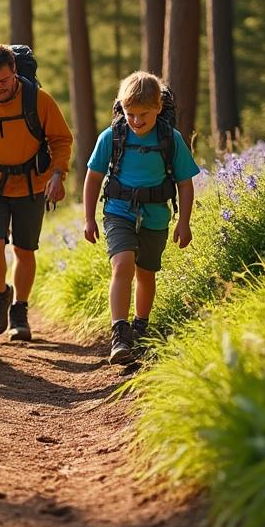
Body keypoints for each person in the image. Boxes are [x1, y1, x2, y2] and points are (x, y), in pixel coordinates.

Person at [0, 44, 73, 341]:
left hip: (33, 183)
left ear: (15, 72)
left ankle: (19, 310)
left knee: (24, 250)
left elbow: (60, 140)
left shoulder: (39, 100)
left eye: (3, 81)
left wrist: (57, 175)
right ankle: (1, 293)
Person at [81, 71, 199, 365]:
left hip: (156, 215)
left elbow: (185, 184)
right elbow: (93, 177)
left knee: (146, 274)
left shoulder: (171, 139)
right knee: (122, 265)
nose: (136, 120)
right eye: (130, 113)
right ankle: (119, 334)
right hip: (118, 211)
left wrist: (184, 222)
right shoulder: (111, 137)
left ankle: (140, 328)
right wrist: (89, 219)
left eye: (143, 114)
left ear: (159, 108)